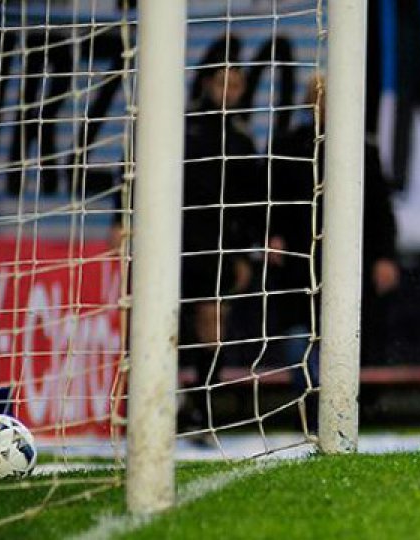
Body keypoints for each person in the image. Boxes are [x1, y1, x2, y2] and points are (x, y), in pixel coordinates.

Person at [269, 75, 400, 429]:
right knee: (300, 337)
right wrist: (270, 235)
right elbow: (271, 201)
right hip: (300, 260)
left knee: (348, 334)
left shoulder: (362, 149)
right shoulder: (287, 146)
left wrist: (386, 257)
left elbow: (380, 209)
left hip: (351, 262)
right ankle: (311, 408)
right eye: (318, 97)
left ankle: (348, 409)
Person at [176, 37, 265, 438]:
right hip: (175, 240)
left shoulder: (243, 140)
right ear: (207, 83)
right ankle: (167, 400)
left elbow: (251, 202)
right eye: (222, 84)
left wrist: (247, 252)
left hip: (220, 243)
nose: (228, 92)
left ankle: (202, 406)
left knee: (213, 320)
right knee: (169, 322)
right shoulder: (182, 128)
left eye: (235, 85)